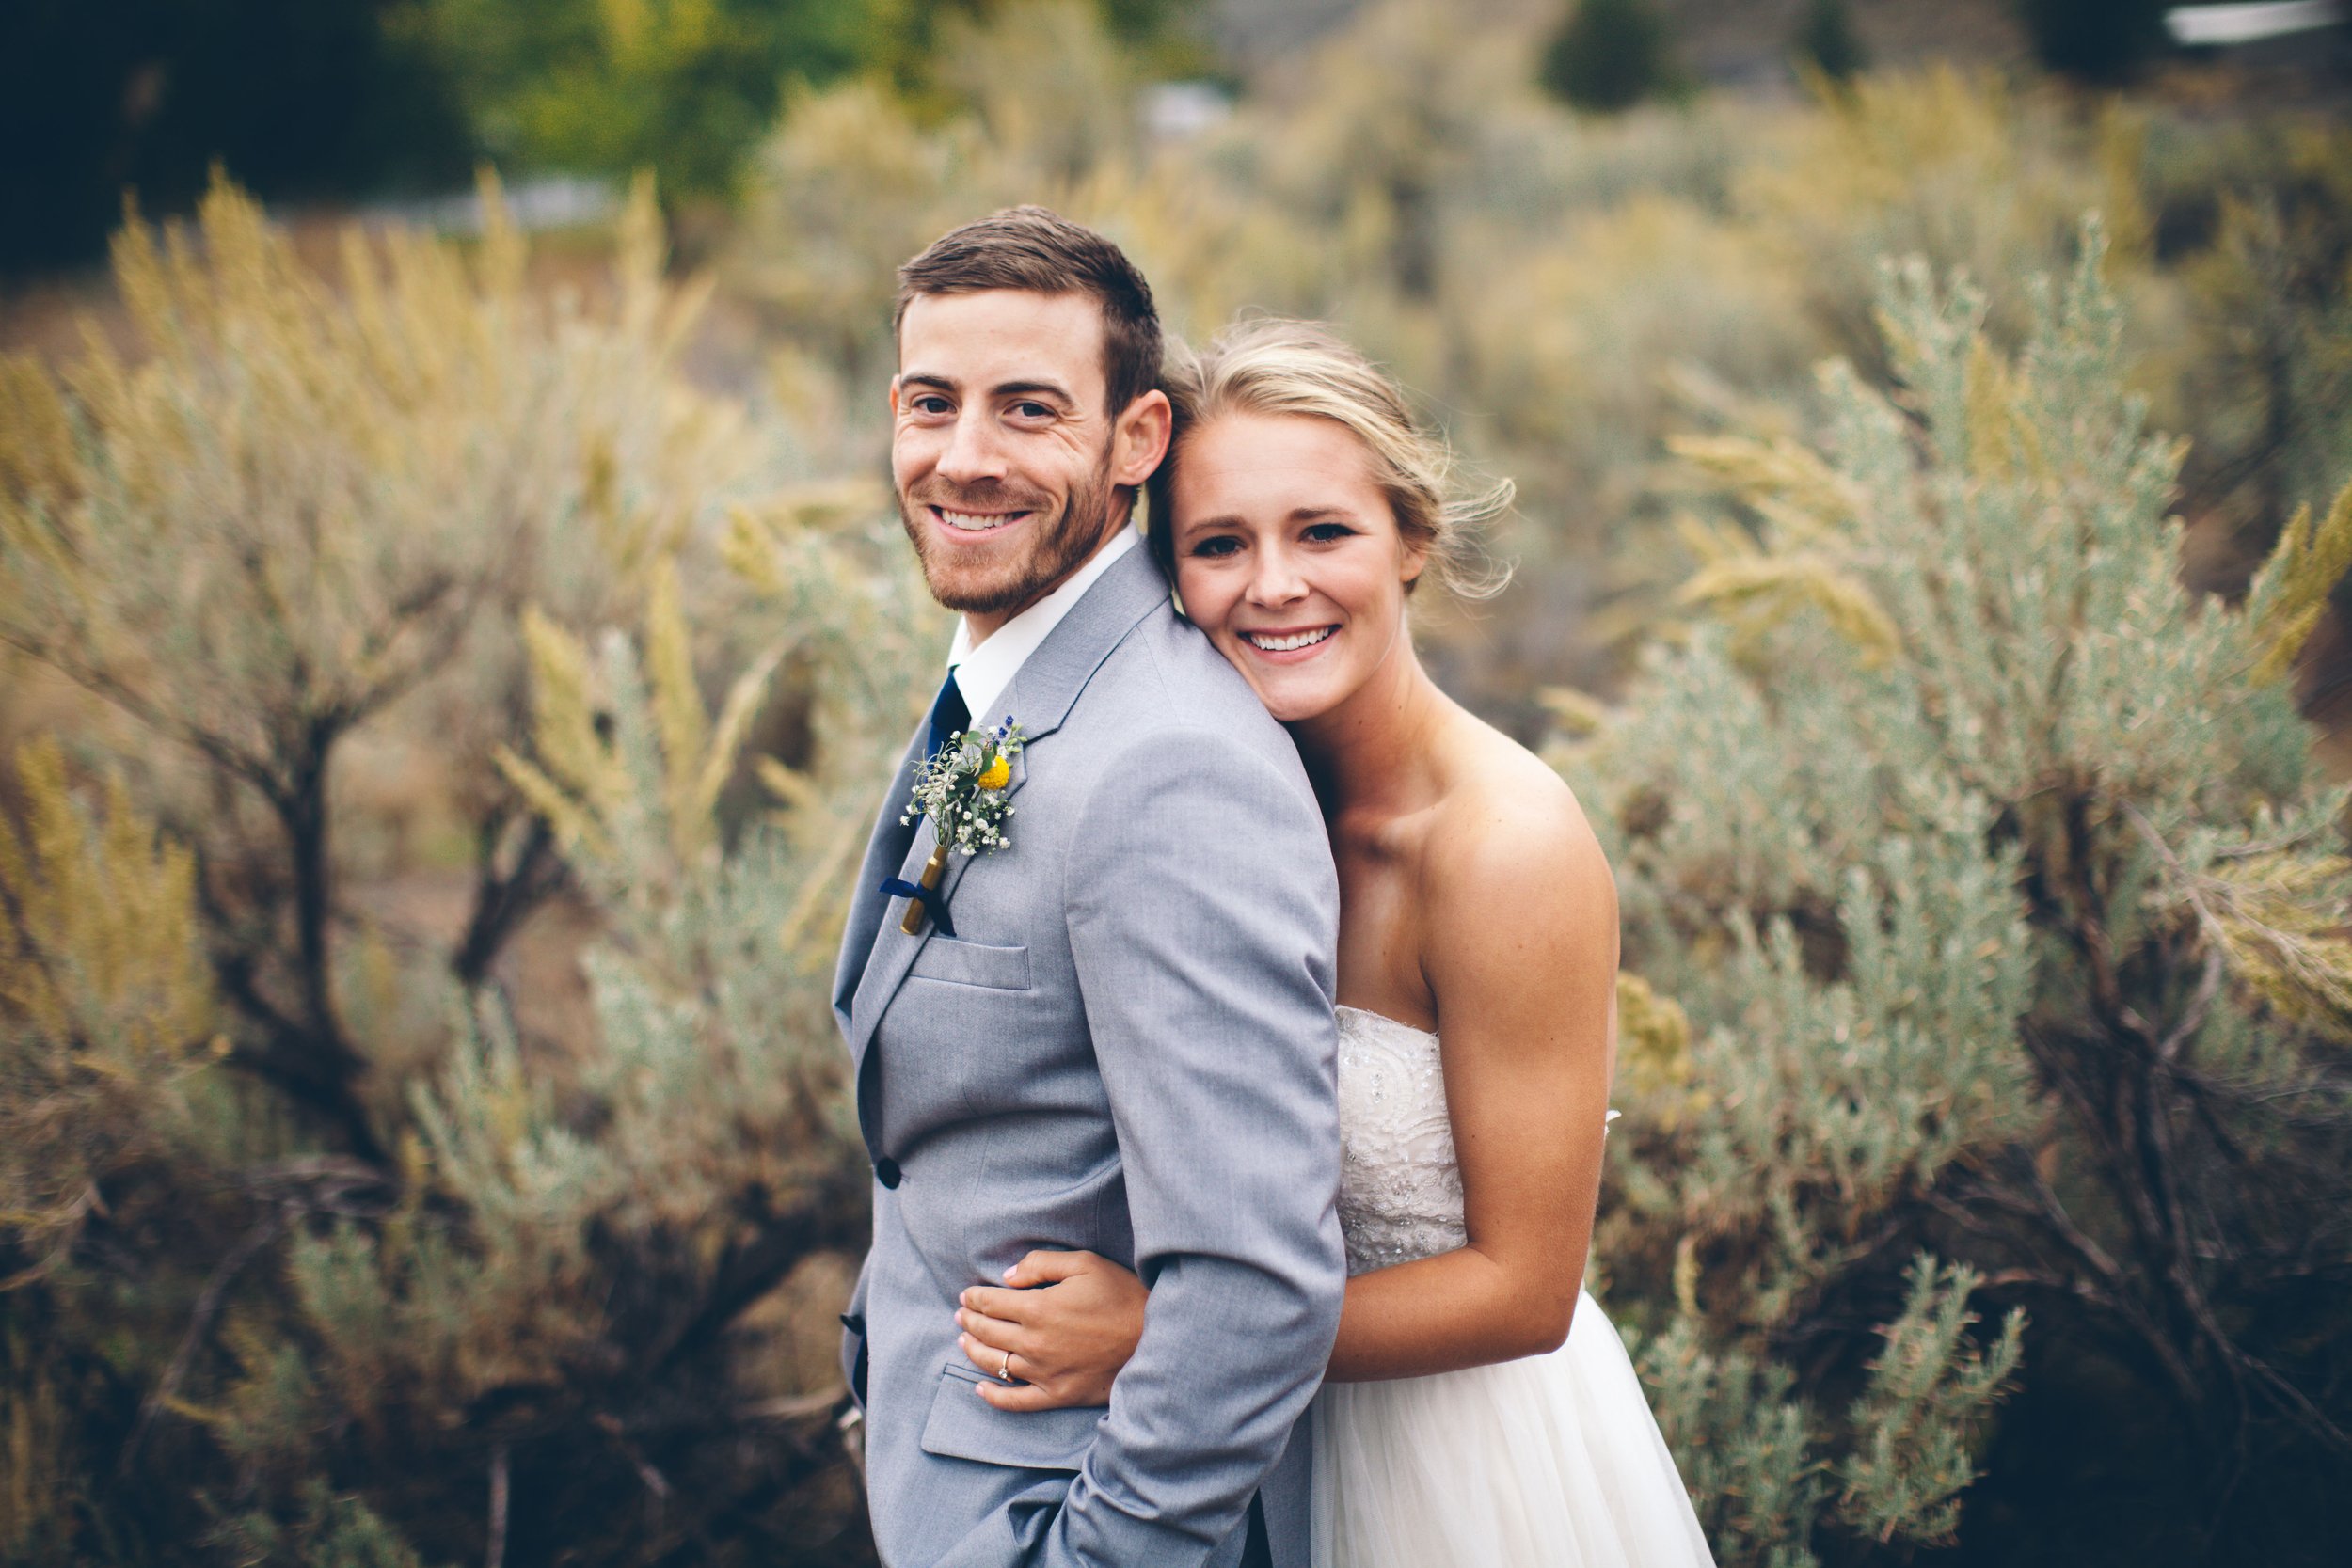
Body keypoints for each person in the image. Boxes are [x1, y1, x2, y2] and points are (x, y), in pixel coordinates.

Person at [947, 318, 1717, 1568]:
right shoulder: (1204, 812)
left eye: (1323, 532)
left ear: (1413, 539)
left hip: (1455, 1473)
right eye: (1217, 545)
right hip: (1241, 1461)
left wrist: (1169, 1338)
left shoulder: (1502, 851)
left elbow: (1523, 1292)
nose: (1273, 585)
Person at [834, 211, 1348, 1568]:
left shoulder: (1167, 766)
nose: (964, 459)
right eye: (931, 404)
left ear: (1137, 441)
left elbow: (1254, 1286)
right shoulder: (1016, 675)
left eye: (1028, 410)